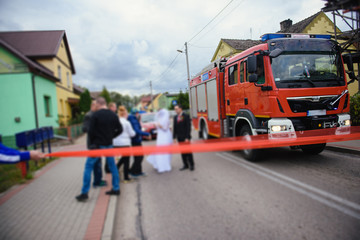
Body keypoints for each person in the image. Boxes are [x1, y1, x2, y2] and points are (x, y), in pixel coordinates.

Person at [76, 97, 123, 202]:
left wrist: (92, 144)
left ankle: (84, 193)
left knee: (88, 167)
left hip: (97, 146)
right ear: (105, 103)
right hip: (109, 145)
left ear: (98, 104)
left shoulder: (95, 115)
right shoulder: (113, 115)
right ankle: (116, 188)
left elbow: (91, 132)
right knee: (113, 167)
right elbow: (120, 129)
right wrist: (112, 136)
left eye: (95, 105)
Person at [83, 100, 107, 187]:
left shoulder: (95, 115)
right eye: (97, 105)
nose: (98, 107)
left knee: (98, 163)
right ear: (93, 106)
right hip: (93, 144)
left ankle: (98, 180)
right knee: (95, 164)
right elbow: (84, 128)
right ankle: (96, 182)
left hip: (96, 143)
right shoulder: (89, 116)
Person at [113, 106, 135, 183]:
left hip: (115, 144)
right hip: (125, 144)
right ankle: (126, 178)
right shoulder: (127, 122)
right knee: (126, 161)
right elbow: (132, 134)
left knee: (122, 158)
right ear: (125, 113)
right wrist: (134, 133)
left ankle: (115, 171)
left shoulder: (115, 122)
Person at [147, 109, 172, 173]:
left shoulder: (166, 120)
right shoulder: (159, 119)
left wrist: (158, 125)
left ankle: (164, 165)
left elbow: (165, 128)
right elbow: (158, 127)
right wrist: (156, 125)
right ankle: (159, 164)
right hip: (160, 136)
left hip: (165, 136)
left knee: (164, 150)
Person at [128, 109, 150, 177]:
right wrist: (147, 134)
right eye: (138, 113)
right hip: (136, 141)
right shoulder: (133, 120)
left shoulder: (132, 119)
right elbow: (137, 131)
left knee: (138, 157)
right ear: (136, 113)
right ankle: (133, 172)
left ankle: (137, 171)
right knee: (139, 157)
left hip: (135, 140)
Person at [173, 105, 194, 171]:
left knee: (188, 152)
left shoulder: (186, 116)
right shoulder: (175, 117)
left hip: (185, 138)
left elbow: (188, 127)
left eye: (176, 109)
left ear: (180, 109)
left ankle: (192, 165)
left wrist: (187, 137)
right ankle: (185, 165)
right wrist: (174, 137)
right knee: (182, 152)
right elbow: (175, 127)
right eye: (175, 109)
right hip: (179, 137)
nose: (175, 110)